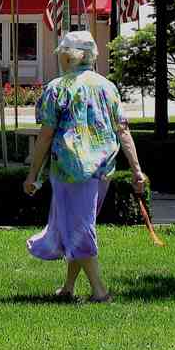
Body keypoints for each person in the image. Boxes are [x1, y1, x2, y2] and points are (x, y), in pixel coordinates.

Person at [23, 32, 145, 302]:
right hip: (102, 170)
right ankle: (68, 287)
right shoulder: (107, 87)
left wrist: (32, 174)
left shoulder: (58, 88)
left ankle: (99, 291)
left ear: (70, 56)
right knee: (78, 225)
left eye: (62, 54)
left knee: (80, 228)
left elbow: (46, 135)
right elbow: (123, 130)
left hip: (70, 170)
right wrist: (136, 169)